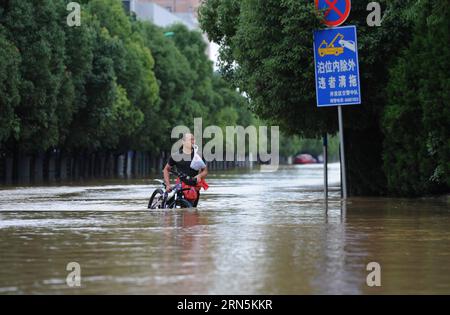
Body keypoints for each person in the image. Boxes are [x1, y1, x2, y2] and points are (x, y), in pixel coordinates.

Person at [163, 133, 208, 207]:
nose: (193, 141)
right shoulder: (176, 155)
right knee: (184, 210)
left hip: (194, 183)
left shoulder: (198, 155)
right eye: (190, 140)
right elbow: (166, 169)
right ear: (183, 142)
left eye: (193, 139)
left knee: (193, 210)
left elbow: (205, 171)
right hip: (181, 183)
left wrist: (199, 176)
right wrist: (168, 185)